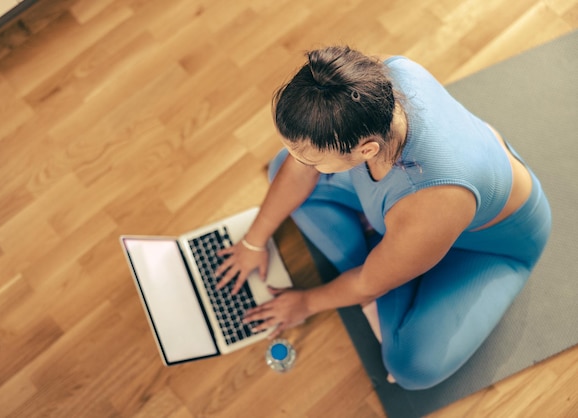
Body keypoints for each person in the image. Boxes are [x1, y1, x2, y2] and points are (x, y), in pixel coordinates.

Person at [214, 46, 552, 390]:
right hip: (424, 209)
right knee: (279, 169)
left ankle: (392, 261)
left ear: (366, 150)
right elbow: (297, 169)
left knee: (411, 367)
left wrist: (306, 302)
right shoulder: (379, 81)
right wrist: (253, 241)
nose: (303, 163)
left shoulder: (434, 201)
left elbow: (368, 283)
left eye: (312, 159)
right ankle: (393, 257)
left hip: (492, 245)